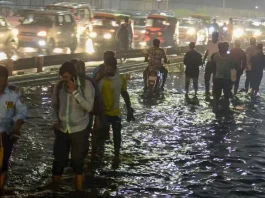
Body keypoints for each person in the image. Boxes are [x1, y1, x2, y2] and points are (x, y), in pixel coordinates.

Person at [51, 62, 95, 191]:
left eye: (67, 77)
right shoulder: (59, 86)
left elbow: (89, 107)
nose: (65, 80)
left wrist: (75, 92)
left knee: (77, 162)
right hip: (62, 129)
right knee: (59, 161)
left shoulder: (86, 85)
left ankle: (79, 190)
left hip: (79, 129)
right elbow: (54, 105)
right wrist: (54, 121)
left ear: (73, 75)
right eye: (62, 77)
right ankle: (54, 189)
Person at [98, 57, 134, 161]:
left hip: (115, 113)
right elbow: (96, 97)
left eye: (109, 67)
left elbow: (124, 93)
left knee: (117, 134)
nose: (107, 70)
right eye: (106, 67)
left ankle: (116, 155)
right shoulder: (101, 80)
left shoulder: (121, 79)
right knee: (102, 135)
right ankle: (100, 154)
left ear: (115, 68)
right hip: (103, 113)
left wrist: (129, 108)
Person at [0, 66, 27, 195]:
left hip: (6, 135)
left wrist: (17, 125)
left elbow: (21, 112)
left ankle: (1, 188)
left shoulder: (14, 94)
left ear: (7, 80)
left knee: (4, 162)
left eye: (3, 80)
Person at [212, 42, 236, 112]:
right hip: (223, 78)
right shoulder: (230, 56)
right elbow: (233, 67)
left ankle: (218, 107)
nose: (225, 48)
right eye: (224, 47)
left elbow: (213, 66)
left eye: (226, 46)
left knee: (222, 94)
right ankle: (224, 108)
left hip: (222, 78)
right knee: (223, 94)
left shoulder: (216, 56)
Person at [203, 32, 220, 97]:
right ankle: (207, 91)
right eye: (212, 36)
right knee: (206, 78)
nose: (213, 38)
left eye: (214, 37)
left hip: (216, 63)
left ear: (217, 37)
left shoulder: (219, 44)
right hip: (209, 62)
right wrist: (203, 60)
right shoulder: (209, 42)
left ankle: (213, 91)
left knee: (215, 78)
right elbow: (207, 51)